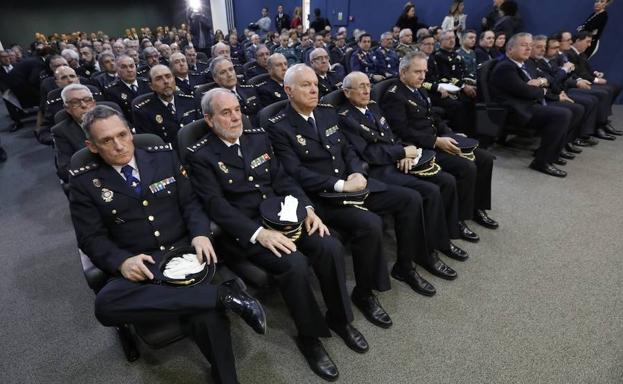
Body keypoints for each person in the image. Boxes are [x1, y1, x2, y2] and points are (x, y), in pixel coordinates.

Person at [68, 104, 266, 384]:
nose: (119, 145)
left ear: (131, 131)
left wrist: (200, 233)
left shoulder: (162, 157)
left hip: (184, 253)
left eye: (123, 135)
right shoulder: (85, 181)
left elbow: (190, 203)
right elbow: (90, 238)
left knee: (206, 316)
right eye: (107, 141)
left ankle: (226, 378)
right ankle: (223, 295)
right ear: (92, 146)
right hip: (142, 264)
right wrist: (122, 262)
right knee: (105, 305)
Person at [187, 88, 370, 382]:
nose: (235, 117)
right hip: (247, 230)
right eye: (226, 113)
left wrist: (307, 209)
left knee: (330, 246)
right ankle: (309, 337)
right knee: (294, 264)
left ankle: (339, 318)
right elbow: (216, 206)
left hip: (285, 215)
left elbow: (283, 178)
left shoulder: (257, 136)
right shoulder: (201, 155)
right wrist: (259, 234)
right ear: (209, 120)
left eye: (237, 110)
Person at [267, 64, 458, 297]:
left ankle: (406, 266)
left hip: (353, 183)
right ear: (288, 90)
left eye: (315, 84)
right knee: (370, 224)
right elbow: (294, 172)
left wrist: (356, 171)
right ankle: (364, 293)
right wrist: (341, 185)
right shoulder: (278, 125)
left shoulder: (326, 111)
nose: (314, 90)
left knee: (411, 198)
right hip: (326, 196)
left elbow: (346, 148)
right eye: (306, 85)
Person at [338, 71, 468, 262]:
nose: (367, 91)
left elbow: (391, 136)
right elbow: (367, 153)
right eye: (361, 87)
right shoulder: (345, 117)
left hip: (398, 158)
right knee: (429, 191)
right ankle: (426, 253)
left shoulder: (373, 106)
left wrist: (404, 148)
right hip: (378, 170)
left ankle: (442, 238)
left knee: (445, 180)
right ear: (347, 92)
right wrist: (400, 153)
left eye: (368, 85)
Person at [381, 52, 498, 237]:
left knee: (484, 159)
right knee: (467, 167)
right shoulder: (394, 95)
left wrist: (449, 133)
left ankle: (477, 207)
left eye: (424, 71)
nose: (422, 76)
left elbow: (433, 117)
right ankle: (458, 219)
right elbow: (402, 131)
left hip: (438, 139)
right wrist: (436, 141)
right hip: (424, 147)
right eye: (417, 72)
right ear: (403, 72)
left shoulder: (419, 88)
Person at [489, 33, 571, 177]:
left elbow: (543, 82)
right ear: (509, 50)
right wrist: (542, 90)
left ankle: (551, 153)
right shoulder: (506, 67)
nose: (528, 49)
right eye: (523, 45)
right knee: (562, 115)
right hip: (513, 111)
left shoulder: (524, 64)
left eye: (529, 45)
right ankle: (542, 162)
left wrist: (540, 84)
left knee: (567, 110)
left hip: (528, 105)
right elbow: (525, 91)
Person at [131, 65, 202, 149]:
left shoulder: (190, 101)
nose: (165, 81)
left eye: (168, 77)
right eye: (159, 79)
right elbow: (150, 146)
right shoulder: (143, 111)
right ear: (151, 86)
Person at [51, 84, 96, 185]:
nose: (84, 105)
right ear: (67, 108)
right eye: (75, 102)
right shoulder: (61, 131)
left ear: (94, 103)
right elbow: (65, 169)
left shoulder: (111, 117)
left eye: (87, 100)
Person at [210, 57, 261, 122]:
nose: (229, 75)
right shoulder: (216, 101)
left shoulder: (249, 89)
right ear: (215, 78)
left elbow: (261, 114)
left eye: (231, 69)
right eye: (223, 72)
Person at [103, 55, 151, 123]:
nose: (129, 70)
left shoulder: (147, 83)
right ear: (117, 70)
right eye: (124, 67)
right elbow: (118, 116)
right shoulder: (111, 90)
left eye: (131, 66)